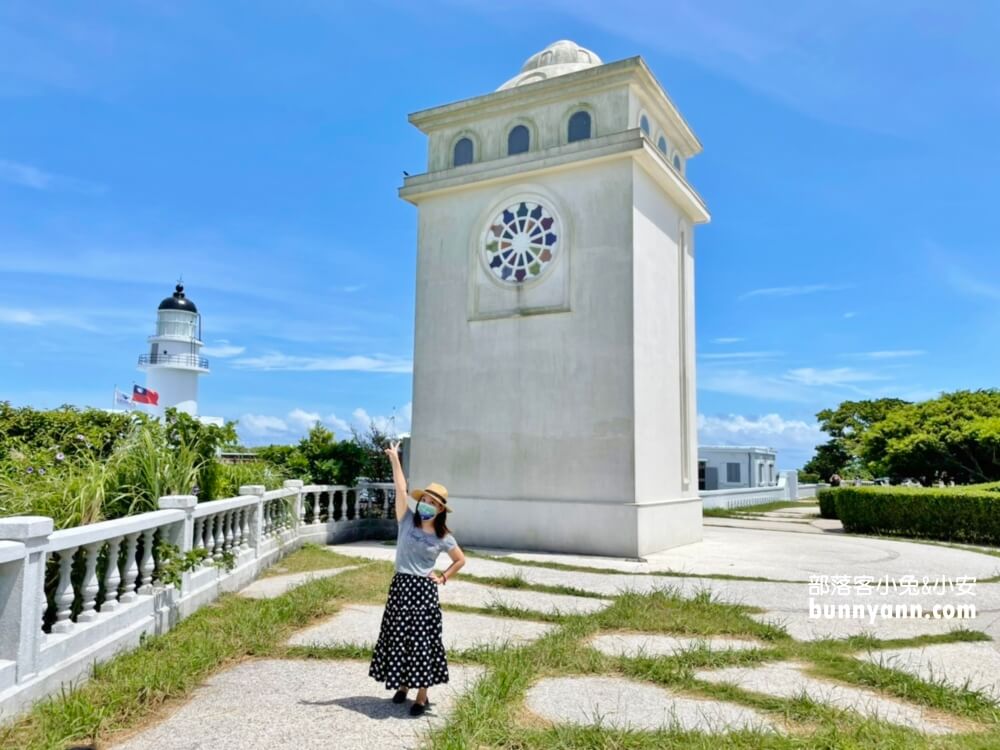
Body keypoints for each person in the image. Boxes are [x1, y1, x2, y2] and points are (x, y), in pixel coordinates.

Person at [368, 439, 466, 716]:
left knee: (422, 641)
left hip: (423, 590)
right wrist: (395, 459)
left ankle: (422, 696)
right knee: (399, 637)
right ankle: (402, 686)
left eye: (433, 503)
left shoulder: (443, 537)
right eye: (424, 499)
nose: (426, 504)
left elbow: (460, 560)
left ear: (440, 509)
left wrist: (444, 577)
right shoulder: (406, 521)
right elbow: (401, 489)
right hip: (401, 586)